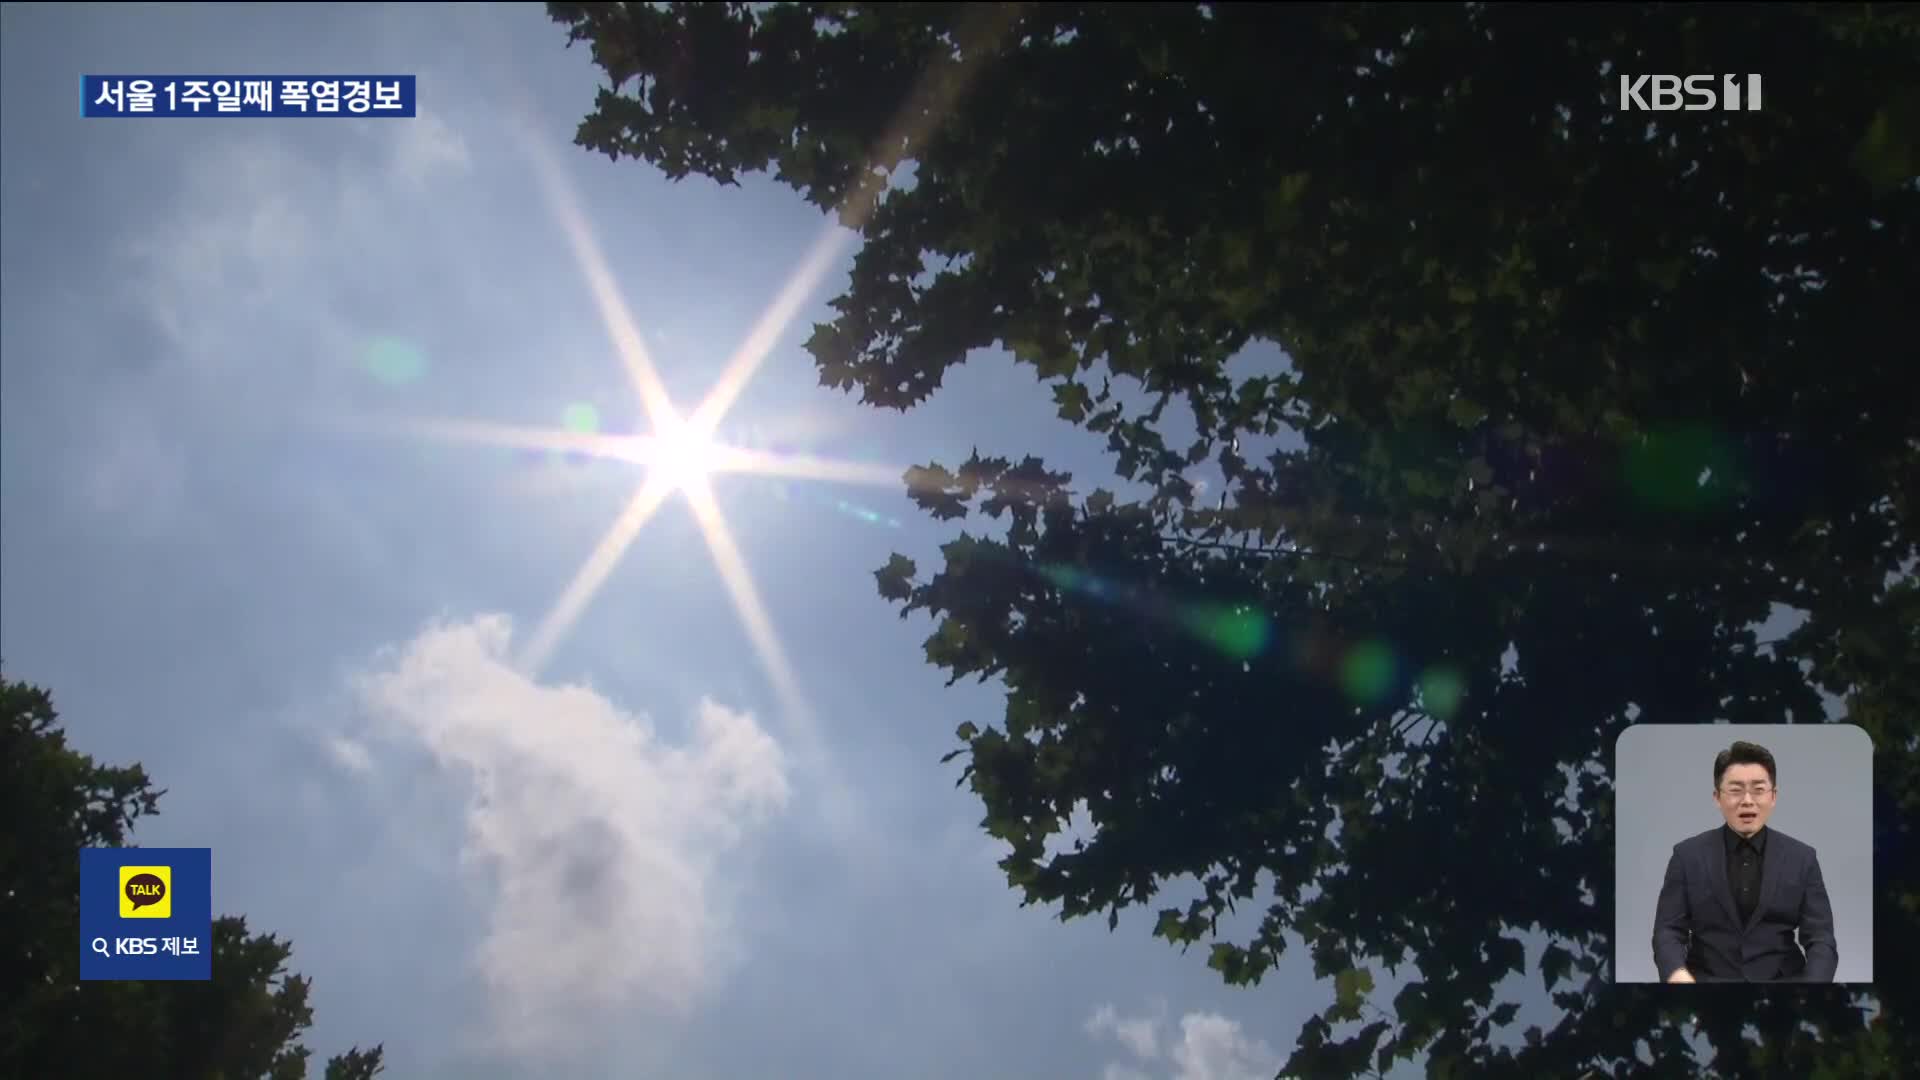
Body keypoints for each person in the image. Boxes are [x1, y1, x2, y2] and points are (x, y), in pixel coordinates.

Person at [1651, 740, 1838, 983]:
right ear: (1717, 797)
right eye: (1736, 790)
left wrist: (1813, 986)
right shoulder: (1687, 856)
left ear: (1773, 796)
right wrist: (1677, 974)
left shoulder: (1802, 858)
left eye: (1758, 789)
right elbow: (1667, 930)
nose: (1747, 800)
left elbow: (1821, 938)